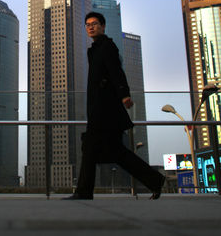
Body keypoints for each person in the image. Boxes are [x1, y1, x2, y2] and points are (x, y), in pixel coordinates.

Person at [64, 11, 165, 200]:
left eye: (94, 23)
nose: (91, 27)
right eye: (87, 24)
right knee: (113, 152)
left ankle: (84, 192)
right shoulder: (94, 49)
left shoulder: (107, 46)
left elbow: (116, 71)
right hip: (98, 108)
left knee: (92, 147)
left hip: (106, 109)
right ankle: (155, 180)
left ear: (103, 26)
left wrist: (124, 94)